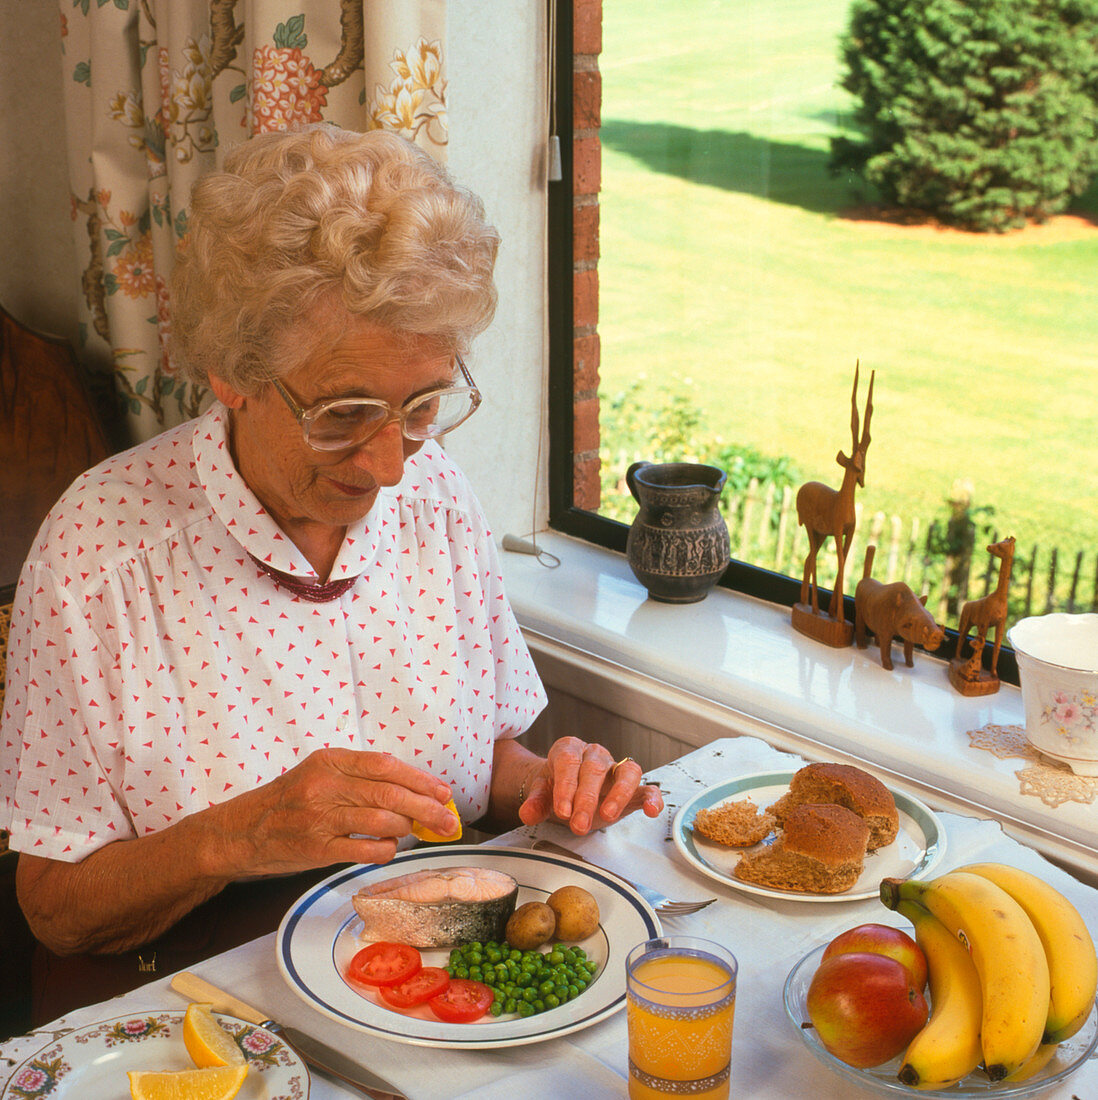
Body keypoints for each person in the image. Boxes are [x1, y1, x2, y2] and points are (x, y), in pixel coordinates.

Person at [0, 125, 663, 1022]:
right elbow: (54, 911)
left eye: (423, 404)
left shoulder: (434, 491)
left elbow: (483, 761)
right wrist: (236, 836)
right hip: (207, 1006)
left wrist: (551, 782)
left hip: (430, 989)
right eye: (346, 412)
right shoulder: (100, 555)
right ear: (232, 371)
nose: (390, 463)